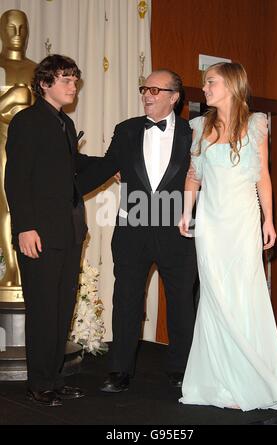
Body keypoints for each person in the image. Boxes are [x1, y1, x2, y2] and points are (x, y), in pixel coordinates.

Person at [178, 62, 277, 411]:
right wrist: (187, 211)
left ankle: (250, 378)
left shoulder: (257, 124)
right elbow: (193, 176)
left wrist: (268, 221)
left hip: (243, 224)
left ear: (230, 84)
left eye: (210, 82)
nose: (205, 88)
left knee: (242, 296)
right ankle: (218, 381)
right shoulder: (198, 126)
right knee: (214, 298)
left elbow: (263, 179)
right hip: (210, 226)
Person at [77, 69, 197, 392]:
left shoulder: (193, 132)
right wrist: (66, 181)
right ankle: (119, 370)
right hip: (133, 230)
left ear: (175, 97)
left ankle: (182, 369)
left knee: (182, 302)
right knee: (127, 299)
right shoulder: (127, 130)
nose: (147, 95)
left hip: (178, 230)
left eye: (156, 91)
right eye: (145, 88)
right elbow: (105, 167)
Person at [4, 54, 99, 406]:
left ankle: (54, 378)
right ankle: (38, 383)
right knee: (43, 309)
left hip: (69, 232)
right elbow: (15, 179)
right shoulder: (27, 121)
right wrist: (25, 227)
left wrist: (116, 163)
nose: (73, 85)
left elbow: (72, 170)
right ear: (44, 83)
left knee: (61, 309)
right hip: (39, 233)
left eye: (75, 79)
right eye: (65, 80)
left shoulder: (65, 124)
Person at [0, 9, 36, 289]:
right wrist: (14, 96)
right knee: (5, 205)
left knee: (24, 206)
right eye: (11, 28)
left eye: (22, 28)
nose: (17, 35)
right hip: (1, 143)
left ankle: (24, 265)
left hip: (28, 147)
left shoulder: (35, 69)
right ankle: (11, 268)